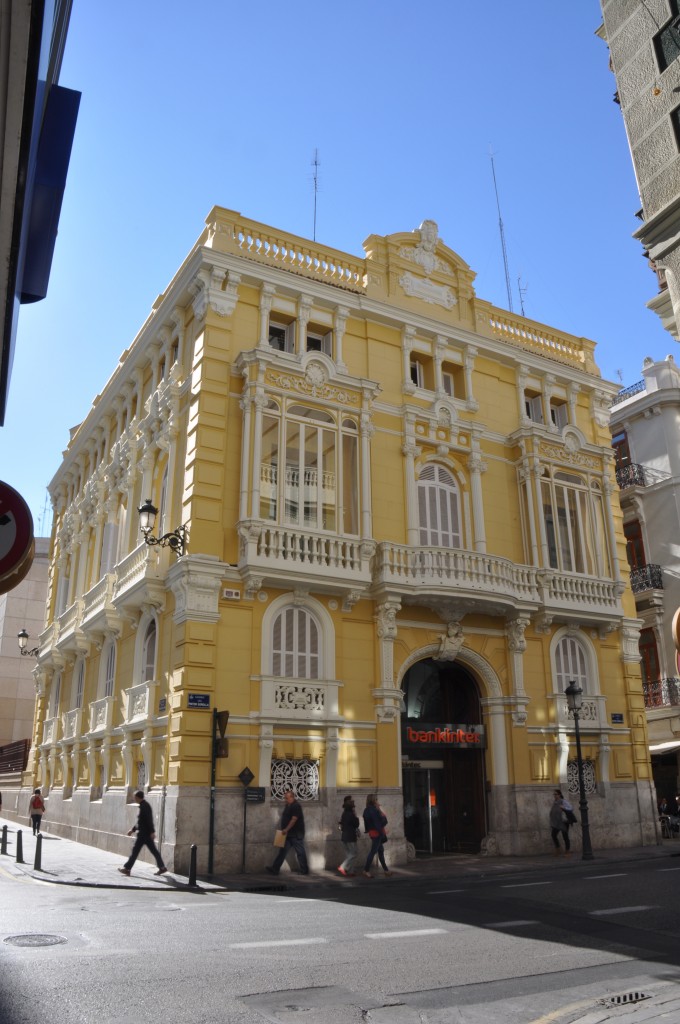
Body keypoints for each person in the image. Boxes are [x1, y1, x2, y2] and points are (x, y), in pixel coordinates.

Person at [118, 791, 167, 876]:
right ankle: (162, 867)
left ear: (138, 797)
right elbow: (141, 821)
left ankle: (127, 869)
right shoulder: (143, 806)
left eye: (135, 797)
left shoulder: (145, 806)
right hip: (144, 833)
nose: (134, 798)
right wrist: (133, 830)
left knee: (136, 851)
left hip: (145, 834)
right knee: (151, 851)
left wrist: (152, 832)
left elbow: (148, 820)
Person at [266, 789, 308, 876]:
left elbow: (294, 819)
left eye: (287, 798)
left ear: (292, 797)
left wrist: (286, 829)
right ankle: (275, 869)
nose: (285, 799)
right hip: (288, 834)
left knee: (300, 852)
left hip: (296, 834)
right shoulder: (288, 805)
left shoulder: (296, 806)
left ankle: (304, 870)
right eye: (285, 798)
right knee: (282, 852)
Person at [362, 794, 392, 878]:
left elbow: (368, 824)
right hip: (377, 833)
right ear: (373, 800)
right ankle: (366, 870)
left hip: (372, 833)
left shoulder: (366, 810)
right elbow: (382, 822)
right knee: (373, 852)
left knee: (381, 851)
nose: (377, 801)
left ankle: (386, 870)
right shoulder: (374, 810)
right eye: (376, 799)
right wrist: (380, 811)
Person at [338, 795, 360, 877]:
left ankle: (351, 871)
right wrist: (355, 816)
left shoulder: (344, 813)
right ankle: (343, 866)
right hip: (350, 836)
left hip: (344, 836)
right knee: (354, 853)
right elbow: (356, 824)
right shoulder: (351, 814)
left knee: (349, 854)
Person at [550, 790, 571, 856]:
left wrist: (564, 807)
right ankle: (558, 849)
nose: (555, 796)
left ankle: (567, 851)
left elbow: (570, 808)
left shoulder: (563, 801)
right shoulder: (555, 802)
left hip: (563, 822)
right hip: (557, 822)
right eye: (554, 794)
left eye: (556, 794)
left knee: (565, 836)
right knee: (553, 835)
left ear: (559, 795)